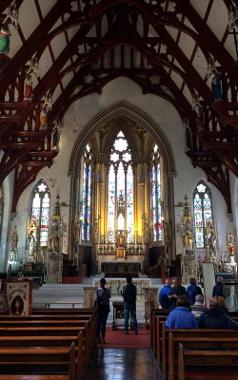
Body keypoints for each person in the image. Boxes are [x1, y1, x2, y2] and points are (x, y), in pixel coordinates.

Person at [96, 278, 111, 344]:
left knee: (98, 324)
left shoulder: (97, 290)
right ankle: (103, 339)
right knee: (103, 324)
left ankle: (98, 338)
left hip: (99, 309)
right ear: (105, 283)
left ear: (100, 283)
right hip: (105, 308)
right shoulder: (107, 290)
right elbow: (109, 297)